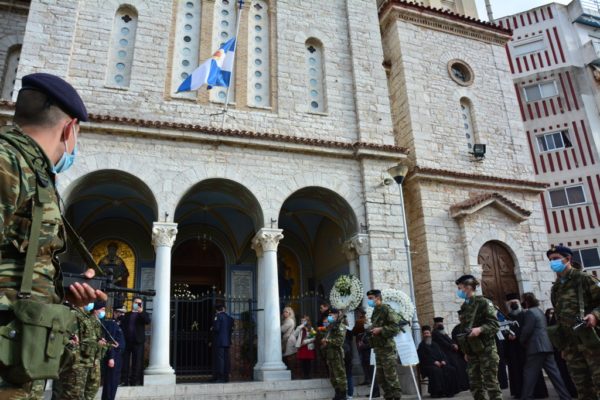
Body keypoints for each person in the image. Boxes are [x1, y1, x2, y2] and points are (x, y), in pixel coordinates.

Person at [0, 72, 104, 398]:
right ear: (70, 129)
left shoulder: (32, 170)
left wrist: (60, 298)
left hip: (16, 356)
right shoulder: (8, 161)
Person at [547, 245, 600, 399]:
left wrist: (594, 315)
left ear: (568, 258)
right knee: (583, 388)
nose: (552, 262)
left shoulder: (584, 278)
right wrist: (563, 346)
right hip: (571, 346)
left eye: (556, 259)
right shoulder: (556, 287)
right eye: (550, 260)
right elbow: (559, 317)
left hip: (591, 341)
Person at [454, 274, 502, 400]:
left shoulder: (483, 302)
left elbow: (494, 324)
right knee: (475, 385)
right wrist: (466, 351)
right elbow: (464, 329)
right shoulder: (465, 306)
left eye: (460, 288)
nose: (459, 291)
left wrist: (480, 329)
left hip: (486, 350)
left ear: (468, 287)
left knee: (491, 384)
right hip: (472, 351)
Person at [519, 292, 571, 400]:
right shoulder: (539, 311)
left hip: (536, 347)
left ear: (526, 301)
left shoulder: (530, 313)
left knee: (529, 374)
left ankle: (526, 397)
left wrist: (521, 340)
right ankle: (565, 396)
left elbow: (527, 330)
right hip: (547, 346)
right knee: (555, 374)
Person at [52, 301, 106, 400]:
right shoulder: (72, 314)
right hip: (74, 362)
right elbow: (63, 335)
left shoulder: (86, 316)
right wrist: (70, 343)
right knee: (71, 394)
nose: (92, 302)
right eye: (90, 299)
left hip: (84, 361)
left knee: (78, 394)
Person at [366, 289, 402, 400]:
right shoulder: (376, 311)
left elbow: (395, 327)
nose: (369, 301)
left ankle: (396, 397)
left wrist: (381, 329)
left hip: (387, 349)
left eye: (371, 298)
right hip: (379, 349)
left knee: (390, 376)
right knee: (381, 378)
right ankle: (388, 396)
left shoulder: (386, 309)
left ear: (377, 298)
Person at [417, 325, 459, 398]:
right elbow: (423, 358)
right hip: (427, 366)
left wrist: (443, 360)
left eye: (428, 333)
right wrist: (433, 362)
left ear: (430, 334)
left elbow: (442, 354)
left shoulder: (435, 344)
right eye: (425, 333)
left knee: (451, 369)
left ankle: (449, 391)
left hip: (439, 364)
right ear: (423, 335)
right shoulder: (421, 346)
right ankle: (437, 393)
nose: (426, 335)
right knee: (436, 371)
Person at [431, 316, 469, 392]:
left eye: (441, 324)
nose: (441, 325)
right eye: (439, 324)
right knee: (457, 364)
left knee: (462, 362)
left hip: (450, 351)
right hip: (444, 353)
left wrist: (455, 344)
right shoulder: (435, 333)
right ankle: (460, 386)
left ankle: (465, 385)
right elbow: (442, 343)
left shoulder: (443, 332)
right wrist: (452, 346)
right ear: (435, 325)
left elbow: (450, 340)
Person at [545, 308, 577, 398]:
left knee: (566, 371)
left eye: (552, 313)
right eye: (550, 313)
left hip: (562, 347)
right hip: (560, 348)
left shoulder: (558, 318)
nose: (551, 314)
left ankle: (571, 391)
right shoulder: (555, 318)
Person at [120, 297, 151, 386]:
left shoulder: (144, 314)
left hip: (138, 341)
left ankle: (134, 381)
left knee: (137, 362)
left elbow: (147, 321)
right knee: (125, 361)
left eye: (139, 303)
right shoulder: (127, 314)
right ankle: (124, 381)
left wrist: (141, 312)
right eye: (136, 302)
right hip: (127, 341)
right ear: (133, 303)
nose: (137, 304)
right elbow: (123, 326)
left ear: (141, 305)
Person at [321, 308, 347, 400]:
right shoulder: (330, 326)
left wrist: (328, 341)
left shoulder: (340, 326)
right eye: (329, 315)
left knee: (340, 375)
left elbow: (340, 341)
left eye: (331, 315)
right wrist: (324, 342)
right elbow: (326, 337)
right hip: (330, 354)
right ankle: (337, 393)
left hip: (337, 354)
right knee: (333, 377)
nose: (329, 317)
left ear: (336, 315)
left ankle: (343, 395)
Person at [101, 306, 125, 400]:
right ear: (115, 313)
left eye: (123, 313)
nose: (122, 314)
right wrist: (111, 357)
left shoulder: (118, 324)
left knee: (114, 382)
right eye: (120, 312)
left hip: (118, 356)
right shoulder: (111, 324)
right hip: (114, 357)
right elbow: (110, 342)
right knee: (110, 383)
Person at [211, 304, 234, 383]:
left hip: (219, 341)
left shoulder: (218, 316)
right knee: (226, 359)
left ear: (217, 310)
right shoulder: (230, 318)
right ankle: (226, 377)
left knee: (220, 360)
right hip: (227, 341)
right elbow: (231, 329)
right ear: (224, 309)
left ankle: (220, 377)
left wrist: (212, 328)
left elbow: (216, 328)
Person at [281, 306, 297, 371]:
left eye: (286, 312)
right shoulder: (287, 320)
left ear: (290, 313)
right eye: (284, 312)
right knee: (288, 357)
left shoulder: (289, 320)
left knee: (289, 357)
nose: (284, 313)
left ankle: (290, 372)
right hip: (288, 339)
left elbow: (282, 329)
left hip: (289, 340)